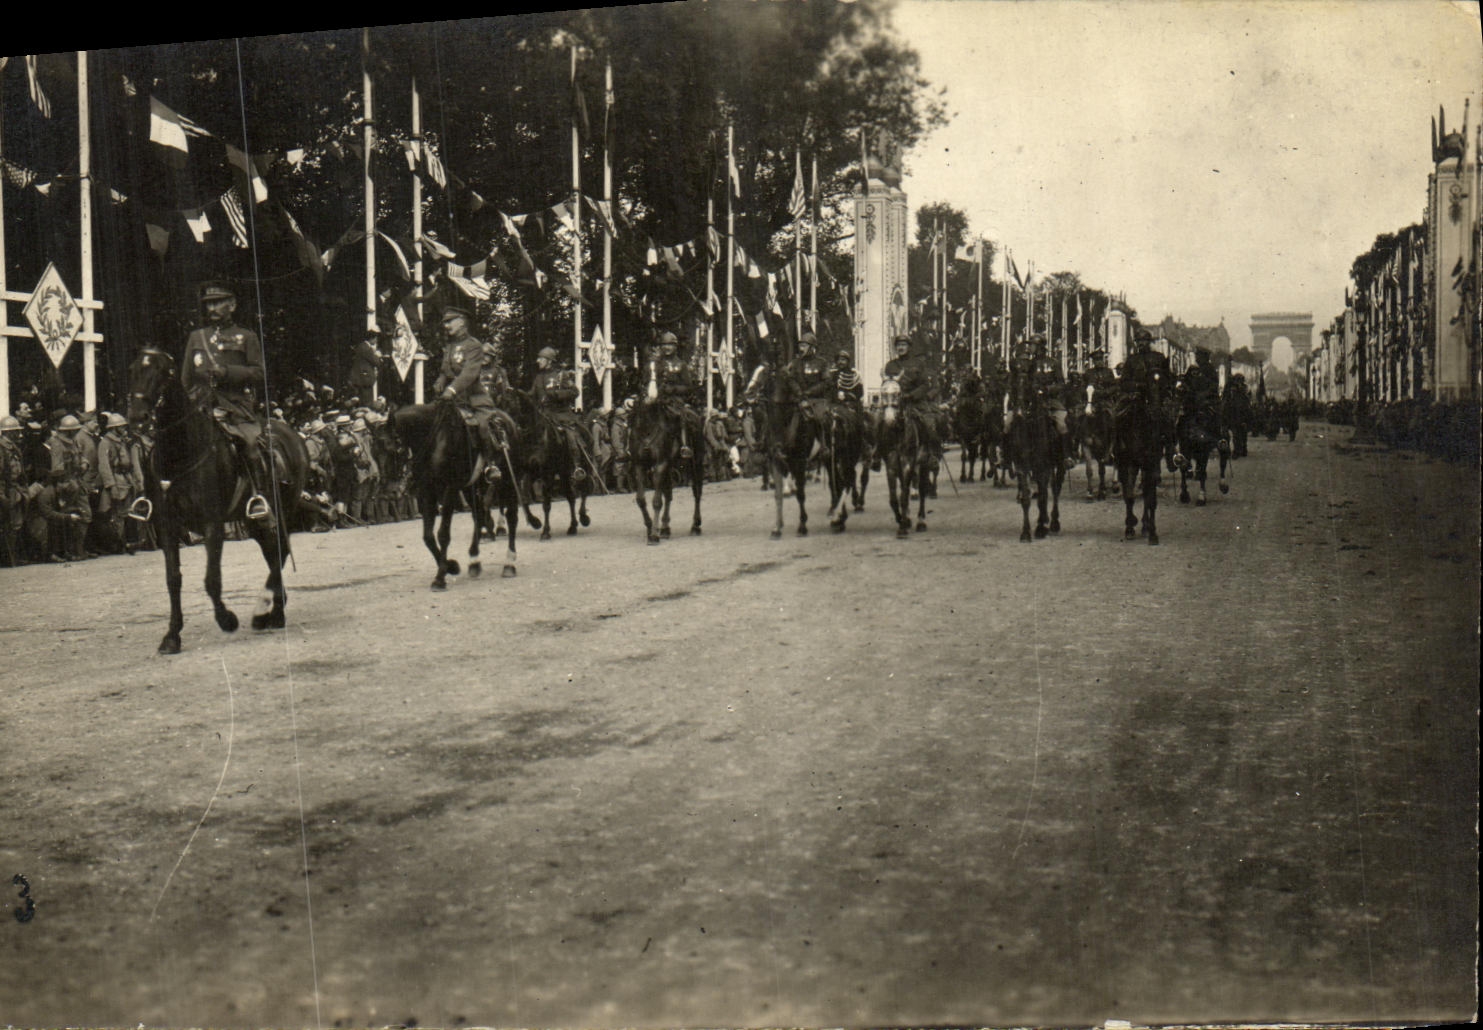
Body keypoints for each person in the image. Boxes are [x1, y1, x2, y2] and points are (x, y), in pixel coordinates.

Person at [179, 281, 273, 521]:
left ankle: (258, 496)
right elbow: (186, 379)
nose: (212, 308)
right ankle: (158, 499)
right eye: (209, 304)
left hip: (235, 407)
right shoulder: (196, 337)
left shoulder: (246, 337)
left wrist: (228, 372)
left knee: (250, 445)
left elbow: (259, 373)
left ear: (232, 305)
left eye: (218, 303)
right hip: (201, 407)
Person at [432, 305, 506, 476]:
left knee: (483, 426)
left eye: (450, 321)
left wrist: (451, 389)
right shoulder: (450, 346)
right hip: (451, 399)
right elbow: (445, 370)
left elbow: (469, 373)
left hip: (473, 399)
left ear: (462, 322)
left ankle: (490, 464)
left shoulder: (474, 345)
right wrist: (440, 381)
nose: (446, 326)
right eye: (445, 323)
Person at [531, 345, 587, 483]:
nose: (538, 361)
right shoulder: (538, 378)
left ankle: (577, 466)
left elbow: (575, 392)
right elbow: (533, 395)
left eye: (541, 359)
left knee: (571, 435)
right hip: (544, 414)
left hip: (561, 413)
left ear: (549, 361)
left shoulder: (561, 375)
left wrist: (557, 394)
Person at [651, 331, 703, 460]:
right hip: (656, 398)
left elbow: (688, 387)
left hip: (674, 401)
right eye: (664, 344)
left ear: (675, 347)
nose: (667, 347)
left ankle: (684, 445)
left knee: (681, 416)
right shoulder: (655, 364)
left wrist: (673, 389)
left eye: (670, 345)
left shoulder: (681, 365)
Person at [97, 413, 141, 554]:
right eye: (120, 427)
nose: (123, 429)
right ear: (113, 428)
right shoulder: (105, 443)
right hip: (116, 480)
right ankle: (118, 544)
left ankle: (128, 542)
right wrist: (111, 485)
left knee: (127, 512)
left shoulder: (122, 441)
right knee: (116, 514)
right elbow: (104, 466)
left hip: (125, 479)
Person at [1, 415, 28, 565]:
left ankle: (13, 556)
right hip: (6, 490)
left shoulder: (15, 448)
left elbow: (20, 471)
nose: (18, 434)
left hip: (16, 489)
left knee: (16, 524)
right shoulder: (2, 449)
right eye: (15, 431)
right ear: (7, 432)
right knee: (9, 525)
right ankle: (9, 558)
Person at [346, 331, 384, 401]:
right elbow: (376, 361)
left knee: (362, 397)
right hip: (365, 377)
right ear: (371, 338)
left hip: (360, 376)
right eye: (375, 339)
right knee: (367, 398)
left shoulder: (361, 346)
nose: (376, 341)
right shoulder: (366, 348)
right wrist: (379, 357)